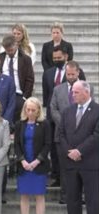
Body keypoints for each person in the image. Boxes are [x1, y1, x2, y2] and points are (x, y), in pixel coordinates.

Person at [50, 61, 92, 204]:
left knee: (84, 168)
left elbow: (91, 109)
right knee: (64, 169)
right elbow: (53, 109)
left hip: (83, 136)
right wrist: (66, 123)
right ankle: (65, 196)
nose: (71, 77)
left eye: (73, 74)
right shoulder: (58, 89)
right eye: (68, 74)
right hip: (61, 136)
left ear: (78, 72)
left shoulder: (87, 87)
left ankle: (83, 196)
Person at [59, 80, 99, 214]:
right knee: (72, 200)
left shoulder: (97, 110)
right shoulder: (67, 111)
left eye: (76, 92)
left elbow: (96, 135)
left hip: (90, 164)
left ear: (86, 93)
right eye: (72, 92)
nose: (72, 94)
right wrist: (69, 152)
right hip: (71, 163)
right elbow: (61, 133)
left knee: (93, 201)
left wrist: (79, 151)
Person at [15, 97, 51, 214]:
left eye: (33, 110)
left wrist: (37, 161)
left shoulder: (44, 124)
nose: (30, 112)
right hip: (24, 165)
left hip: (39, 165)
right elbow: (17, 145)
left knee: (39, 195)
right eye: (28, 109)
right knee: (24, 195)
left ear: (38, 110)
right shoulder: (20, 124)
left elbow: (47, 144)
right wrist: (22, 161)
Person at [0, 34, 34, 123]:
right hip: (3, 94)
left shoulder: (25, 59)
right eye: (7, 51)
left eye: (11, 50)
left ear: (16, 45)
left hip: (19, 95)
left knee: (18, 122)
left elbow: (30, 79)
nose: (10, 52)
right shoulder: (0, 58)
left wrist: (25, 97)